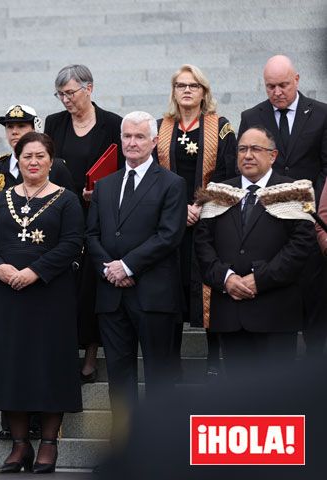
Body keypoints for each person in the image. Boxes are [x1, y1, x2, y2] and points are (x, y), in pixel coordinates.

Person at [0, 132, 83, 474]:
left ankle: (48, 444)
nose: (33, 162)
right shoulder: (0, 198)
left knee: (48, 366)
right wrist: (1, 268)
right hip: (7, 297)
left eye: (40, 156)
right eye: (27, 157)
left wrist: (35, 271)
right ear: (17, 160)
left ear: (51, 160)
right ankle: (20, 445)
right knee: (13, 368)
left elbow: (71, 243)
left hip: (50, 296)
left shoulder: (66, 200)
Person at [86, 111, 186, 436]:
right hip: (112, 297)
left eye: (140, 136)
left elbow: (169, 235)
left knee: (160, 375)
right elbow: (92, 236)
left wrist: (127, 266)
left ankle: (161, 448)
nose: (132, 142)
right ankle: (125, 449)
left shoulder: (172, 184)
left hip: (154, 295)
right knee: (119, 377)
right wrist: (110, 270)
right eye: (127, 136)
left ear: (154, 141)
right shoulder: (105, 185)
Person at [193, 126, 316, 378]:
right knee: (238, 398)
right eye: (242, 149)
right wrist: (226, 279)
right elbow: (202, 245)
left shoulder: (293, 191)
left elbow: (301, 247)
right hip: (230, 313)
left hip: (275, 313)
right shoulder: (217, 191)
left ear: (273, 155)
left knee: (275, 399)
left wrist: (259, 279)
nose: (247, 155)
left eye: (256, 149)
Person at [238, 55, 327, 355]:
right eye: (270, 86)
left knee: (315, 304)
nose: (277, 92)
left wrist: (305, 201)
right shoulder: (251, 117)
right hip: (267, 225)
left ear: (297, 80)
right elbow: (244, 168)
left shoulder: (321, 114)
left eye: (284, 85)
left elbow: (325, 167)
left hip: (310, 219)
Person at [155, 64, 238, 379]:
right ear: (174, 91)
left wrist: (199, 205)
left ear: (204, 91)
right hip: (171, 223)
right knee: (172, 286)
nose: (186, 90)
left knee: (211, 285)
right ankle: (171, 361)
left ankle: (214, 359)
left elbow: (229, 173)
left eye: (193, 85)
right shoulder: (162, 127)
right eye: (180, 85)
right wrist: (179, 211)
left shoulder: (221, 127)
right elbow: (155, 176)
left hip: (211, 220)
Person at [44, 64, 123, 384]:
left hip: (98, 215)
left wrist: (100, 192)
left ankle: (90, 356)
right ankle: (63, 353)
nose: (65, 100)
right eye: (60, 94)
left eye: (71, 93)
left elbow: (121, 170)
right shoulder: (54, 123)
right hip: (61, 214)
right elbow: (46, 165)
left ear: (89, 89)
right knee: (63, 287)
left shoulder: (112, 124)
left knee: (90, 286)